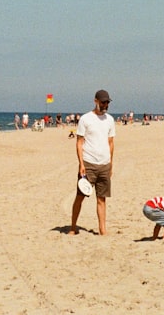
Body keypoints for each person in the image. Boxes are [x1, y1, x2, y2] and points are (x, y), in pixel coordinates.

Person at [69, 89, 116, 235]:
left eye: (107, 102)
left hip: (104, 164)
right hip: (88, 164)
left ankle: (102, 229)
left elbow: (111, 142)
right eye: (103, 102)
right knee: (80, 196)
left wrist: (111, 164)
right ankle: (73, 227)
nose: (105, 105)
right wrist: (81, 164)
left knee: (102, 199)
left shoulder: (110, 120)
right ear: (95, 101)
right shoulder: (85, 119)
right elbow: (79, 142)